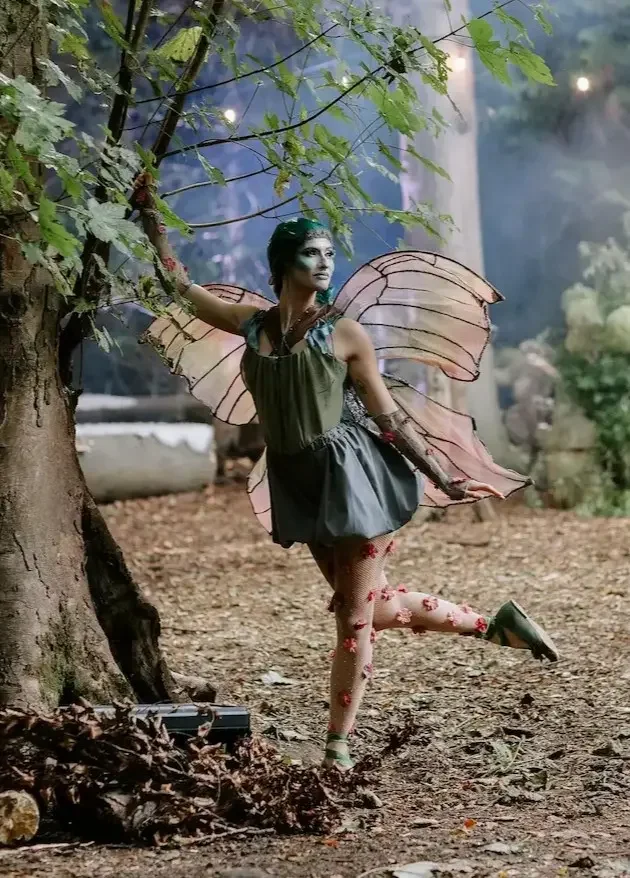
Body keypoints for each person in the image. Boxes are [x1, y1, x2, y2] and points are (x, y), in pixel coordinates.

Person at [135, 179, 558, 771]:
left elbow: (389, 420)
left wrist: (445, 476)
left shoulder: (345, 333)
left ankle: (336, 749)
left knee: (355, 621)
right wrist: (151, 215)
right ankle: (495, 625)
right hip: (299, 480)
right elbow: (178, 288)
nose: (325, 261)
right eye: (312, 252)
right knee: (368, 605)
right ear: (284, 263)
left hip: (355, 478)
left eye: (330, 252)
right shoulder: (250, 325)